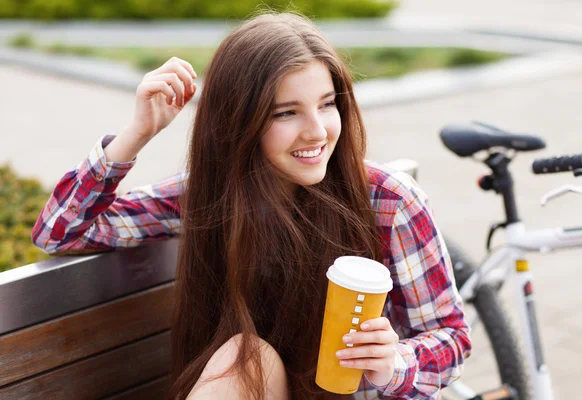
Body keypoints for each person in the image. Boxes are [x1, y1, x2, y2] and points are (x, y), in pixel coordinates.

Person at [32, 12, 471, 400]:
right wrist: (136, 135)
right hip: (252, 386)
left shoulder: (388, 201)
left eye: (327, 104)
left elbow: (451, 341)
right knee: (244, 355)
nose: (317, 132)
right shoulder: (210, 196)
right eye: (286, 113)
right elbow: (61, 232)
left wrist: (394, 363)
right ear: (238, 121)